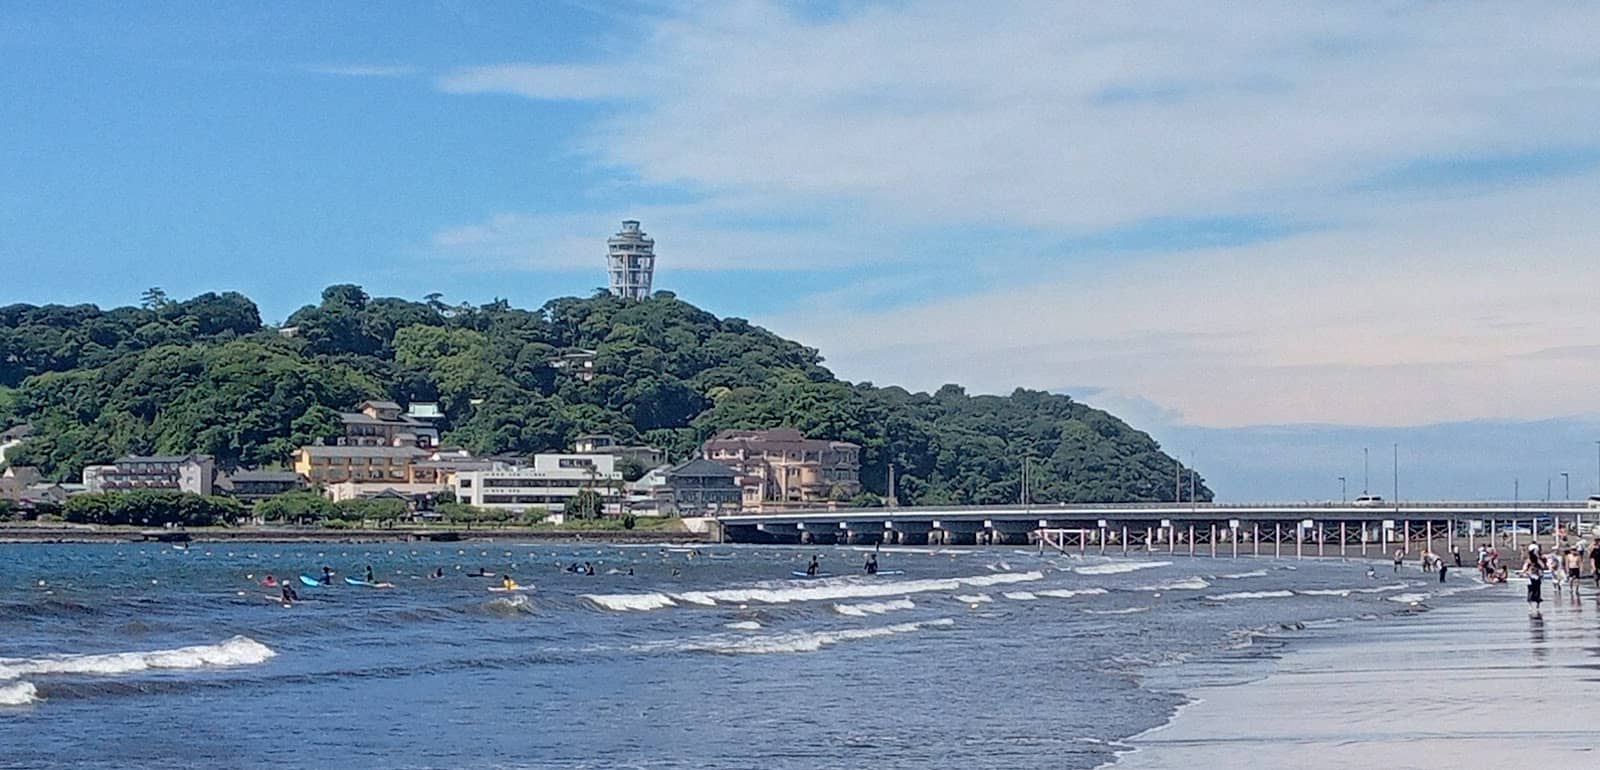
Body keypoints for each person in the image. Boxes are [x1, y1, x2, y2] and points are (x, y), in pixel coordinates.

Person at [1523, 548, 1545, 614]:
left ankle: (1537, 605)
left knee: (1537, 591)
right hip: (1531, 577)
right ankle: (1531, 605)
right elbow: (1525, 568)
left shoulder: (1537, 560)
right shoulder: (1529, 561)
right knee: (1531, 591)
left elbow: (1542, 566)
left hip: (1537, 577)